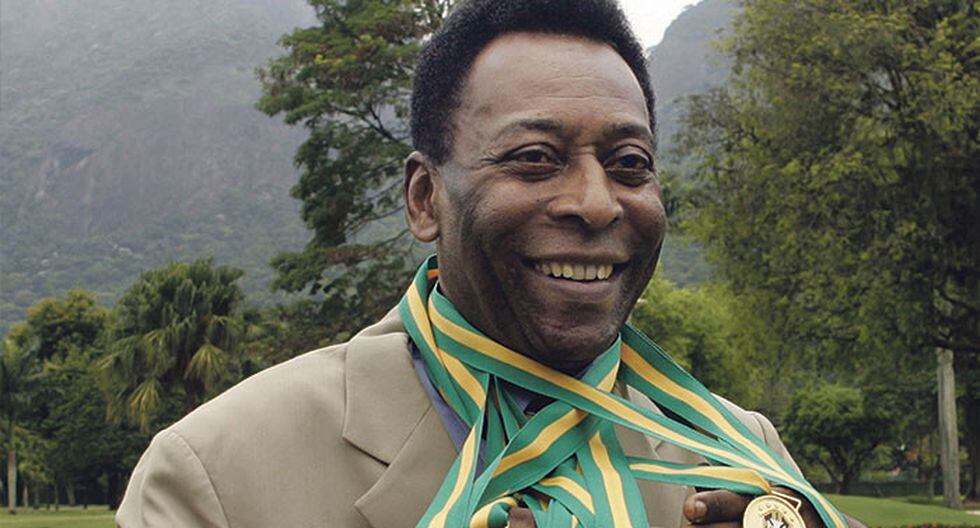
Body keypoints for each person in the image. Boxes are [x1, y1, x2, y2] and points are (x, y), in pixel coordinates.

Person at [117, 1, 860, 527]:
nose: (596, 203)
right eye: (535, 158)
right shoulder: (214, 474)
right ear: (425, 199)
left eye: (629, 163)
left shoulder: (745, 457)